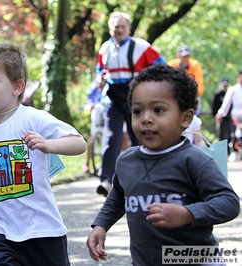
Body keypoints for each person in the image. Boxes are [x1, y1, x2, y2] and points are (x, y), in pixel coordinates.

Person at [86, 64, 240, 265]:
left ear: (185, 118)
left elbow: (228, 202)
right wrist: (101, 225)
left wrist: (188, 213)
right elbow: (118, 197)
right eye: (137, 111)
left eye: (158, 110)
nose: (146, 119)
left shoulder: (194, 160)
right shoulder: (126, 161)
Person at [0, 42, 86, 265]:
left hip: (42, 229)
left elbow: (79, 144)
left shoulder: (32, 119)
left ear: (17, 87)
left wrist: (49, 145)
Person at [95, 11, 166, 196]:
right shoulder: (105, 48)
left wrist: (151, 85)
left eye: (122, 26)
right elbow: (100, 69)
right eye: (115, 27)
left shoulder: (141, 47)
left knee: (138, 137)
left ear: (128, 28)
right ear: (110, 29)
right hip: (113, 98)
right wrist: (99, 78)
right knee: (111, 138)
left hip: (136, 98)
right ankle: (107, 180)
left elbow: (162, 65)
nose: (119, 30)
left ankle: (142, 177)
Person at [168, 44, 205, 116]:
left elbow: (199, 82)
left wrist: (196, 94)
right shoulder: (171, 65)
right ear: (178, 56)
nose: (186, 58)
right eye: (184, 56)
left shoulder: (195, 65)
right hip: (175, 94)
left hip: (191, 94)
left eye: (188, 56)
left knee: (195, 108)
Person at [216, 71, 242, 157]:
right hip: (236, 116)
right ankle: (234, 152)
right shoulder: (233, 90)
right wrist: (220, 113)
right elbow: (226, 104)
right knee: (234, 134)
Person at [212, 78, 234, 154]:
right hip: (221, 118)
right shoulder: (217, 95)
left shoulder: (230, 93)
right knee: (221, 135)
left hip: (230, 118)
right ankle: (221, 152)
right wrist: (217, 115)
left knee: (231, 135)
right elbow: (214, 107)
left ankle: (228, 151)